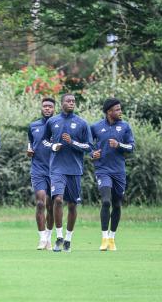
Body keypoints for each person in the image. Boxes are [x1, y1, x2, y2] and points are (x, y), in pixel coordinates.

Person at [42, 93, 92, 253]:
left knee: (72, 205)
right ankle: (59, 237)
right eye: (68, 101)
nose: (71, 103)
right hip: (57, 169)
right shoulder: (52, 121)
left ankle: (68, 239)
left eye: (73, 101)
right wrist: (52, 146)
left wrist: (73, 142)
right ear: (62, 103)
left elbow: (89, 147)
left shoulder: (82, 123)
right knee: (57, 200)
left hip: (75, 170)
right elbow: (44, 140)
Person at [91, 98, 134, 251]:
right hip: (102, 170)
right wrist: (92, 154)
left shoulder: (125, 127)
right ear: (109, 112)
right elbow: (88, 145)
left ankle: (112, 238)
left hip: (119, 172)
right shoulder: (95, 127)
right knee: (106, 202)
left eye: (120, 109)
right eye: (117, 109)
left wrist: (119, 145)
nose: (120, 112)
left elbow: (131, 147)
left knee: (116, 204)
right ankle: (103, 238)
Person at [27, 97, 55, 250]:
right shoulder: (33, 126)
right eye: (45, 106)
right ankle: (42, 237)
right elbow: (31, 143)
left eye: (50, 106)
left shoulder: (59, 125)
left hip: (56, 170)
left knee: (51, 206)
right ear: (41, 108)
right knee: (40, 202)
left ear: (54, 108)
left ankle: (49, 237)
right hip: (38, 169)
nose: (47, 109)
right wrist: (29, 150)